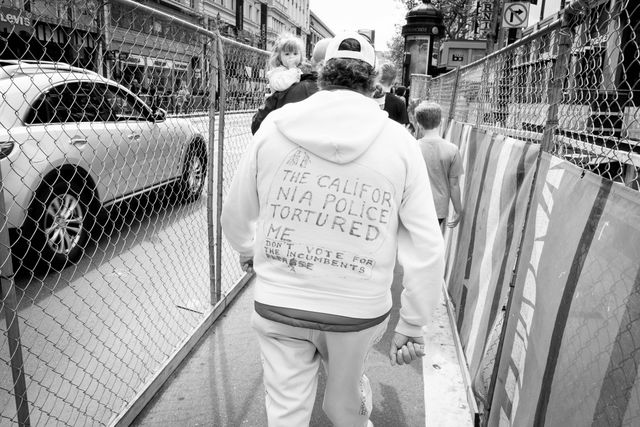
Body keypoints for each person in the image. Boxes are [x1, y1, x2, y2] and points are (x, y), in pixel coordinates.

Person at [221, 32, 445, 427]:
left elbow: (236, 214)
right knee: (346, 408)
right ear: (373, 82)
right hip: (358, 308)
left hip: (281, 301)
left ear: (322, 74)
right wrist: (412, 321)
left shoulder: (275, 127)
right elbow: (426, 244)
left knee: (285, 411)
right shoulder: (399, 142)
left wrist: (249, 249)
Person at [251, 38, 331, 135]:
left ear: (312, 61)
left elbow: (257, 126)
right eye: (287, 54)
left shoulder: (299, 84)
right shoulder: (280, 73)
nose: (291, 57)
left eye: (295, 54)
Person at [414, 101, 464, 229]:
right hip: (438, 208)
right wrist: (458, 210)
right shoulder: (452, 150)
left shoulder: (412, 147)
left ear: (419, 124)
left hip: (414, 205)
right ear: (440, 122)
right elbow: (454, 185)